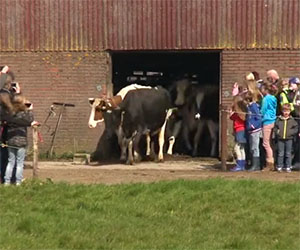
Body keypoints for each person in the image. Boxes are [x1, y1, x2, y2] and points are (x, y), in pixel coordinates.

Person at [3, 94, 34, 186]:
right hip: (21, 141)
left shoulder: (10, 115)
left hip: (11, 140)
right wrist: (30, 109)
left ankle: (7, 181)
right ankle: (18, 182)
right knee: (20, 163)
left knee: (11, 161)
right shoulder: (24, 115)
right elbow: (30, 120)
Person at [274, 104, 298, 172]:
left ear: (290, 111)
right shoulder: (279, 119)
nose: (286, 112)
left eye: (287, 111)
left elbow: (296, 128)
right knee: (280, 153)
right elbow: (275, 128)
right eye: (284, 111)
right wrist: (277, 133)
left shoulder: (292, 120)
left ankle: (288, 166)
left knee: (288, 153)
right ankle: (279, 166)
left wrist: (291, 133)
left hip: (289, 139)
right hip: (280, 139)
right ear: (282, 111)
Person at [260, 83, 278, 171]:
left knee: (265, 143)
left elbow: (263, 110)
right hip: (273, 120)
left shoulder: (265, 99)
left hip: (267, 121)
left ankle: (269, 163)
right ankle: (273, 161)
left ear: (265, 90)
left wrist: (260, 114)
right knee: (270, 143)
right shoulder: (274, 98)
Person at [245, 92, 262, 171]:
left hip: (255, 130)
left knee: (255, 147)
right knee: (252, 147)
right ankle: (253, 164)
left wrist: (253, 126)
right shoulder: (249, 107)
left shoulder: (254, 106)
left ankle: (256, 165)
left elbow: (258, 117)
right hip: (251, 130)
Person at [229, 95, 247, 171]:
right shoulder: (244, 114)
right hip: (242, 131)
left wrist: (231, 112)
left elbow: (231, 117)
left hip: (239, 131)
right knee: (242, 148)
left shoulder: (238, 114)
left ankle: (239, 164)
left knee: (237, 148)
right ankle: (243, 164)